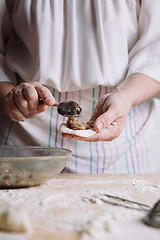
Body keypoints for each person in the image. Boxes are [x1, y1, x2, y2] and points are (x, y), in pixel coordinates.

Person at [0, 0, 160, 174]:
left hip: (126, 142)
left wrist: (126, 96)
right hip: (26, 140)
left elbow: (156, 50)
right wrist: (10, 97)